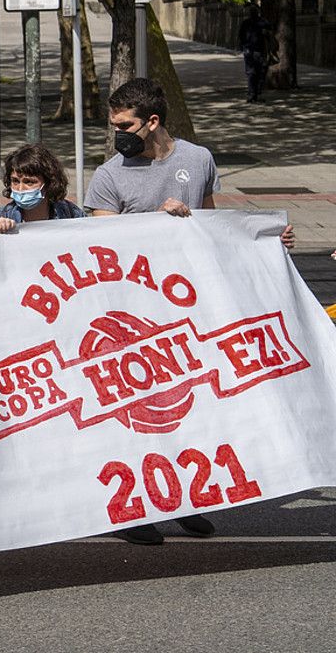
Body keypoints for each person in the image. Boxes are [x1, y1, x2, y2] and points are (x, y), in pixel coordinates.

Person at [83, 78, 293, 542]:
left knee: (189, 411)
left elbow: (215, 225)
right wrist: (157, 222)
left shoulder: (197, 159)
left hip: (187, 309)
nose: (118, 134)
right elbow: (101, 245)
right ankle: (131, 512)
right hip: (130, 317)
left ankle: (184, 500)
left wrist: (264, 241)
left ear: (152, 121)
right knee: (135, 416)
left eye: (125, 125)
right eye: (113, 124)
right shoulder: (109, 175)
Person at [0, 144, 85, 232]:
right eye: (15, 181)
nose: (20, 189)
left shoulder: (70, 214)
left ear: (49, 183)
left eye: (29, 182)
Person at [237, 5, 272, 103]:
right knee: (255, 73)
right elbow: (241, 36)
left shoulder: (257, 23)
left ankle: (253, 94)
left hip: (254, 51)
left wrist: (242, 47)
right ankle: (254, 94)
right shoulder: (255, 22)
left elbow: (240, 36)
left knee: (254, 73)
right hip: (254, 51)